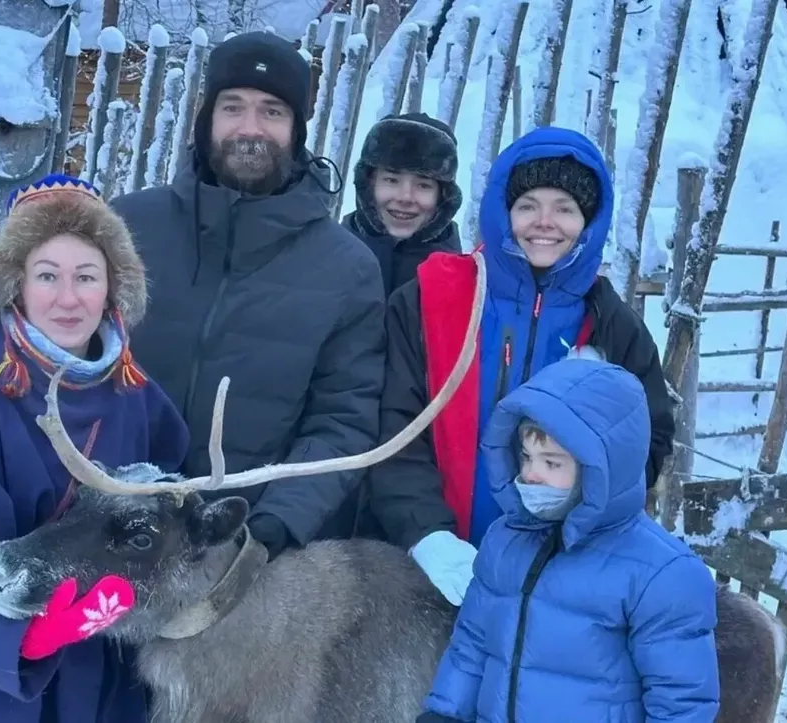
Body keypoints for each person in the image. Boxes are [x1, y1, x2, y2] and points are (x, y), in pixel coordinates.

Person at [0, 174, 190, 723]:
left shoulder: (135, 395)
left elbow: (168, 509)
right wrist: (35, 634)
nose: (68, 299)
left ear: (113, 288)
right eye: (48, 275)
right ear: (14, 284)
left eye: (86, 276)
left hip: (96, 661)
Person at [366, 126, 675, 605]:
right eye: (528, 204)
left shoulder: (612, 327)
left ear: (590, 221)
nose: (544, 222)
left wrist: (580, 523)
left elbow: (645, 442)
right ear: (502, 211)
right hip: (432, 570)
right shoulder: (432, 299)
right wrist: (426, 533)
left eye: (565, 208)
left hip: (557, 576)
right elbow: (393, 427)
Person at [110, 31, 386, 559]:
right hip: (104, 524)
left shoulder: (346, 268)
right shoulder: (127, 226)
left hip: (235, 549)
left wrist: (275, 525)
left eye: (272, 112)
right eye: (232, 107)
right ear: (206, 119)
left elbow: (343, 421)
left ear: (297, 131)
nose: (250, 129)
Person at [416, 357, 719, 723]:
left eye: (552, 463)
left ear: (602, 469)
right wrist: (444, 713)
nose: (531, 474)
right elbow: (473, 645)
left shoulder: (661, 575)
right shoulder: (505, 543)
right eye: (527, 457)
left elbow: (682, 704)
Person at [343, 112, 462, 295]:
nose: (405, 197)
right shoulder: (329, 257)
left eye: (423, 185)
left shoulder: (460, 281)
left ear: (443, 197)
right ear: (369, 185)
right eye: (391, 180)